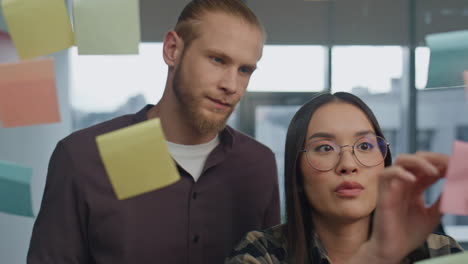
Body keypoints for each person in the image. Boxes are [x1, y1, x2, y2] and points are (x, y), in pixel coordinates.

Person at [27, 1, 280, 263]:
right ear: (172, 50)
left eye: (244, 70)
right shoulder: (83, 157)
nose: (231, 84)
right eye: (217, 59)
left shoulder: (258, 164)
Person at [226, 92, 463, 264]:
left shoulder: (439, 253)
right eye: (325, 149)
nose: (348, 165)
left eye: (364, 145)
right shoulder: (262, 254)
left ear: (384, 162)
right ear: (296, 170)